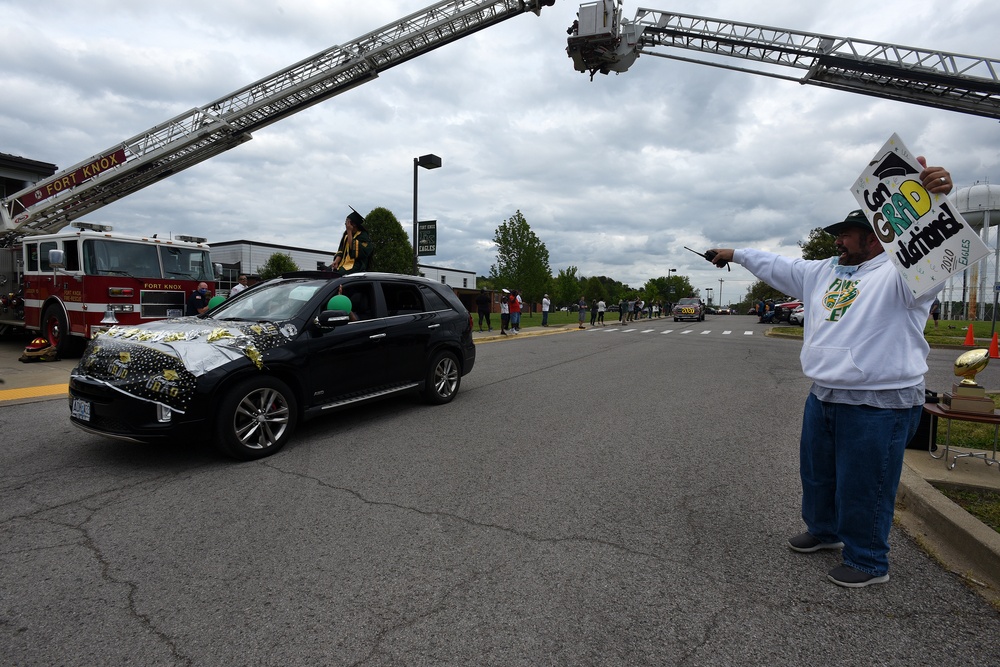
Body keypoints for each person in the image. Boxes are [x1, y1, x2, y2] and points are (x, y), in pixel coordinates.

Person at [706, 157, 953, 588]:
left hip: (881, 401)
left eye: (846, 233)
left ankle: (869, 560)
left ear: (878, 235)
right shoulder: (824, 271)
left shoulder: (901, 275)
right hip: (825, 394)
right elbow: (778, 265)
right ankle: (825, 532)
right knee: (818, 473)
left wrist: (933, 203)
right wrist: (735, 254)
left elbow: (935, 257)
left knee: (866, 483)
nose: (838, 239)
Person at [331, 208, 373, 275]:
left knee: (339, 274)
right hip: (343, 263)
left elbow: (354, 249)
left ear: (354, 224)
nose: (346, 224)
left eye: (347, 222)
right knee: (328, 271)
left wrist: (349, 231)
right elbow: (341, 251)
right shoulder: (346, 236)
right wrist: (336, 262)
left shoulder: (363, 236)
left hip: (357, 265)